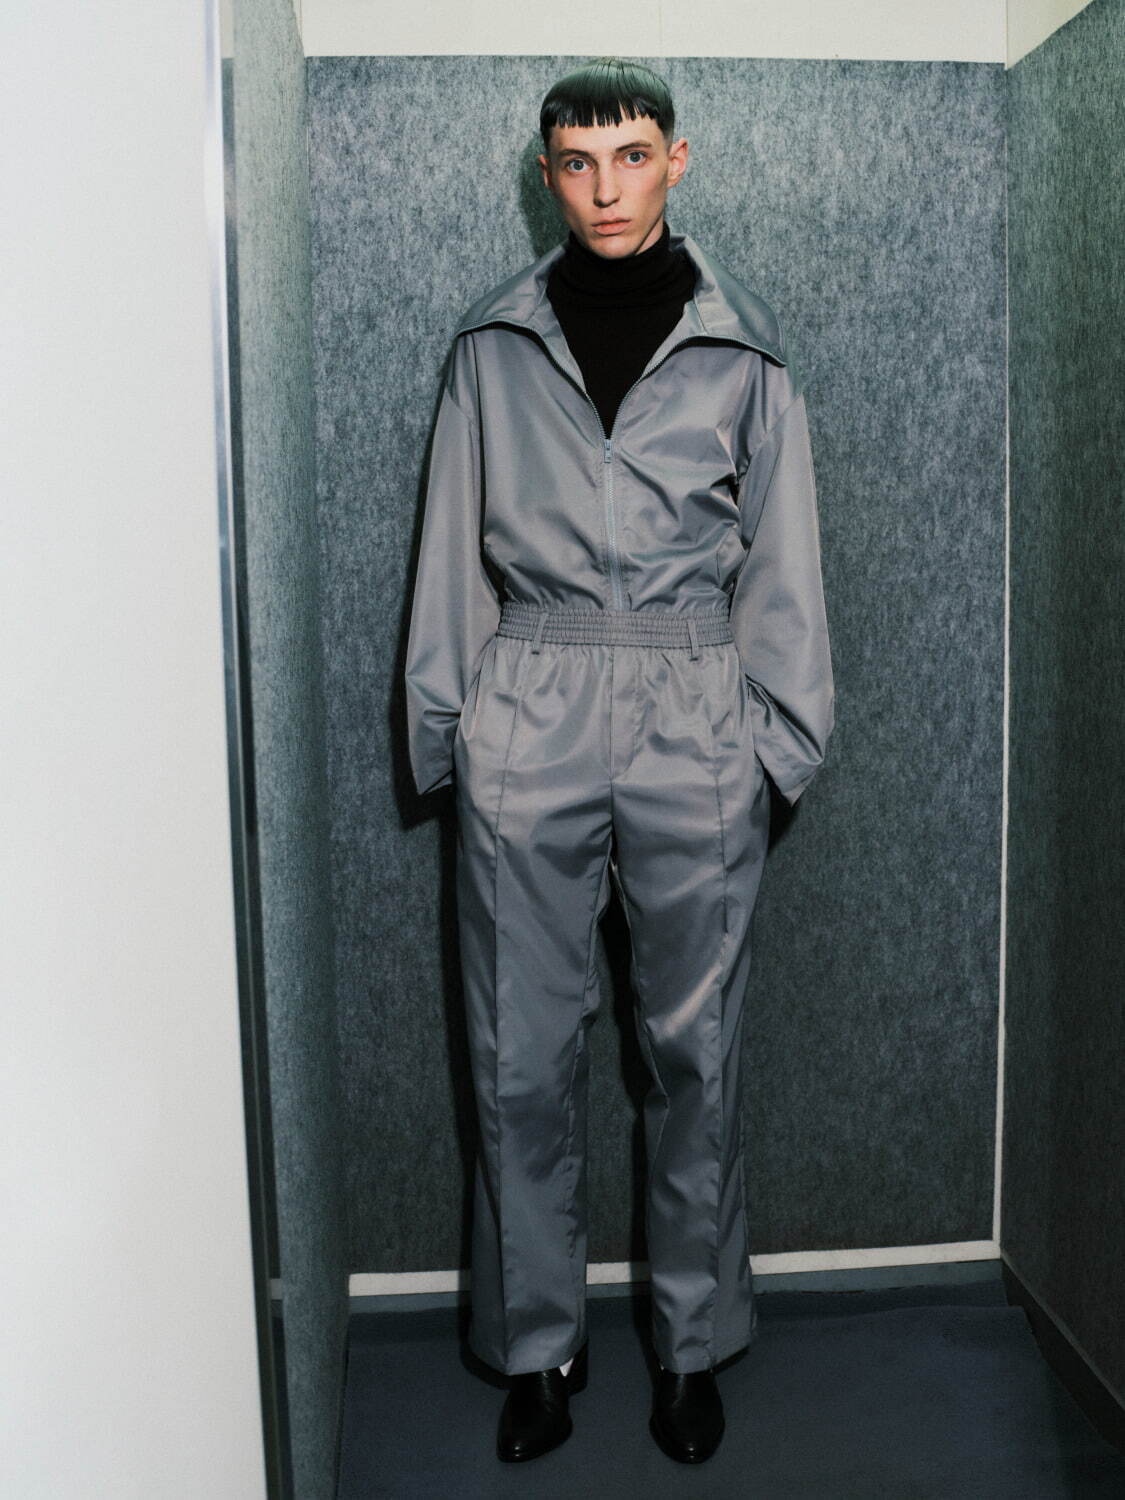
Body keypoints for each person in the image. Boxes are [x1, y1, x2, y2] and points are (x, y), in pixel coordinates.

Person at [404, 57, 834, 1465]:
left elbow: (784, 563)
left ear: (676, 160)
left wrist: (772, 743)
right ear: (548, 172)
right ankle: (538, 1345)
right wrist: (454, 730)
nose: (605, 188)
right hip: (530, 698)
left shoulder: (744, 351)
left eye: (632, 156)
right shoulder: (491, 347)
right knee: (518, 1052)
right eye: (579, 162)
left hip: (691, 703)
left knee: (694, 1054)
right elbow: (449, 553)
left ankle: (689, 1346)